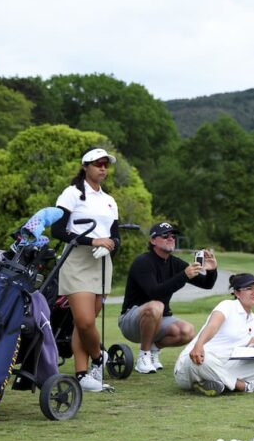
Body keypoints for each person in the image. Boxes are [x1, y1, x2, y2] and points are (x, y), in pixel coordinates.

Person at [51, 147, 121, 392]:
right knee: (84, 319)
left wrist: (111, 244)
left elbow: (116, 236)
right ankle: (99, 357)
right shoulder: (72, 194)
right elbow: (58, 231)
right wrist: (93, 241)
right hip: (77, 260)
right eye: (97, 163)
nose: (103, 167)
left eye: (105, 164)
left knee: (83, 325)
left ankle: (83, 374)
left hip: (102, 262)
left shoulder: (109, 200)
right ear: (85, 166)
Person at [119, 222, 218, 374]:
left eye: (173, 236)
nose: (171, 238)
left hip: (157, 319)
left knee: (187, 331)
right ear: (153, 241)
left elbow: (207, 285)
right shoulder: (142, 262)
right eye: (165, 236)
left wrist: (212, 270)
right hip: (131, 320)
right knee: (156, 305)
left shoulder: (175, 263)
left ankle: (153, 349)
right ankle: (143, 356)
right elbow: (154, 292)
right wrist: (183, 276)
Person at [174, 273, 254, 396]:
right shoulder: (227, 305)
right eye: (249, 289)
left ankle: (214, 384)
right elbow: (212, 326)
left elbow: (248, 349)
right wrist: (199, 345)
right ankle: (243, 386)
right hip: (194, 364)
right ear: (237, 293)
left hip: (223, 366)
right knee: (203, 360)